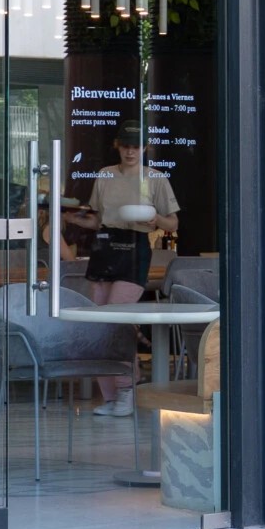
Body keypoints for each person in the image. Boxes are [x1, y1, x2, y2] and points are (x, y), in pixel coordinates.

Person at [61, 123, 180, 416]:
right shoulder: (104, 175)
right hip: (104, 246)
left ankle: (128, 387)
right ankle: (110, 396)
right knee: (98, 323)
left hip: (136, 246)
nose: (130, 150)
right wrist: (69, 217)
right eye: (126, 145)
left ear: (144, 148)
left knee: (116, 318)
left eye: (136, 145)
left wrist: (155, 218)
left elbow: (173, 224)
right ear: (118, 145)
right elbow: (96, 220)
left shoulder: (155, 178)